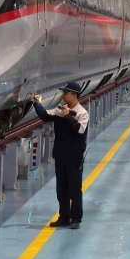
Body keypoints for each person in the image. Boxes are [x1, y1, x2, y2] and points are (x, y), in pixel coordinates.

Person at [30, 82, 89, 229]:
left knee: (74, 189)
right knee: (61, 189)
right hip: (61, 156)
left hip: (74, 157)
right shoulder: (59, 110)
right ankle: (64, 217)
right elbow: (44, 115)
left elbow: (79, 131)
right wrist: (37, 103)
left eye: (66, 93)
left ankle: (76, 219)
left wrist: (68, 116)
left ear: (74, 96)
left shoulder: (82, 113)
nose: (63, 95)